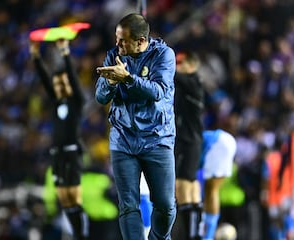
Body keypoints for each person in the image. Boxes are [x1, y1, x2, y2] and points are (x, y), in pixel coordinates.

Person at [95, 13, 177, 240]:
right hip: (123, 139)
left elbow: (158, 91)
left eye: (123, 40)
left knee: (165, 205)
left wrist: (128, 78)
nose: (117, 44)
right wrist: (110, 83)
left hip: (157, 138)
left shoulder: (163, 55)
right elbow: (100, 97)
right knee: (128, 205)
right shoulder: (113, 56)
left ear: (141, 41)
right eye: (116, 38)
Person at [29, 39, 89, 240]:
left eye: (62, 82)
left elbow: (72, 77)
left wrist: (65, 53)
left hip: (72, 152)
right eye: (57, 83)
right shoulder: (56, 104)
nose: (59, 85)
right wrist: (36, 57)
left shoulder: (76, 102)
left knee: (74, 196)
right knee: (64, 198)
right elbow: (45, 80)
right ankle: (77, 234)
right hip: (56, 154)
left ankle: (81, 235)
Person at [173, 51, 204, 240]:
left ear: (191, 65)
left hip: (189, 141)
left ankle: (191, 235)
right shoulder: (186, 86)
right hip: (188, 140)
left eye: (181, 63)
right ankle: (194, 234)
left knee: (183, 185)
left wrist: (160, 59)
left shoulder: (193, 83)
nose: (178, 66)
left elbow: (174, 75)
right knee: (190, 186)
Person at [198, 129, 237, 240]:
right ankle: (207, 233)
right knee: (210, 190)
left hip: (217, 143)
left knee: (211, 190)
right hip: (223, 141)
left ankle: (208, 236)